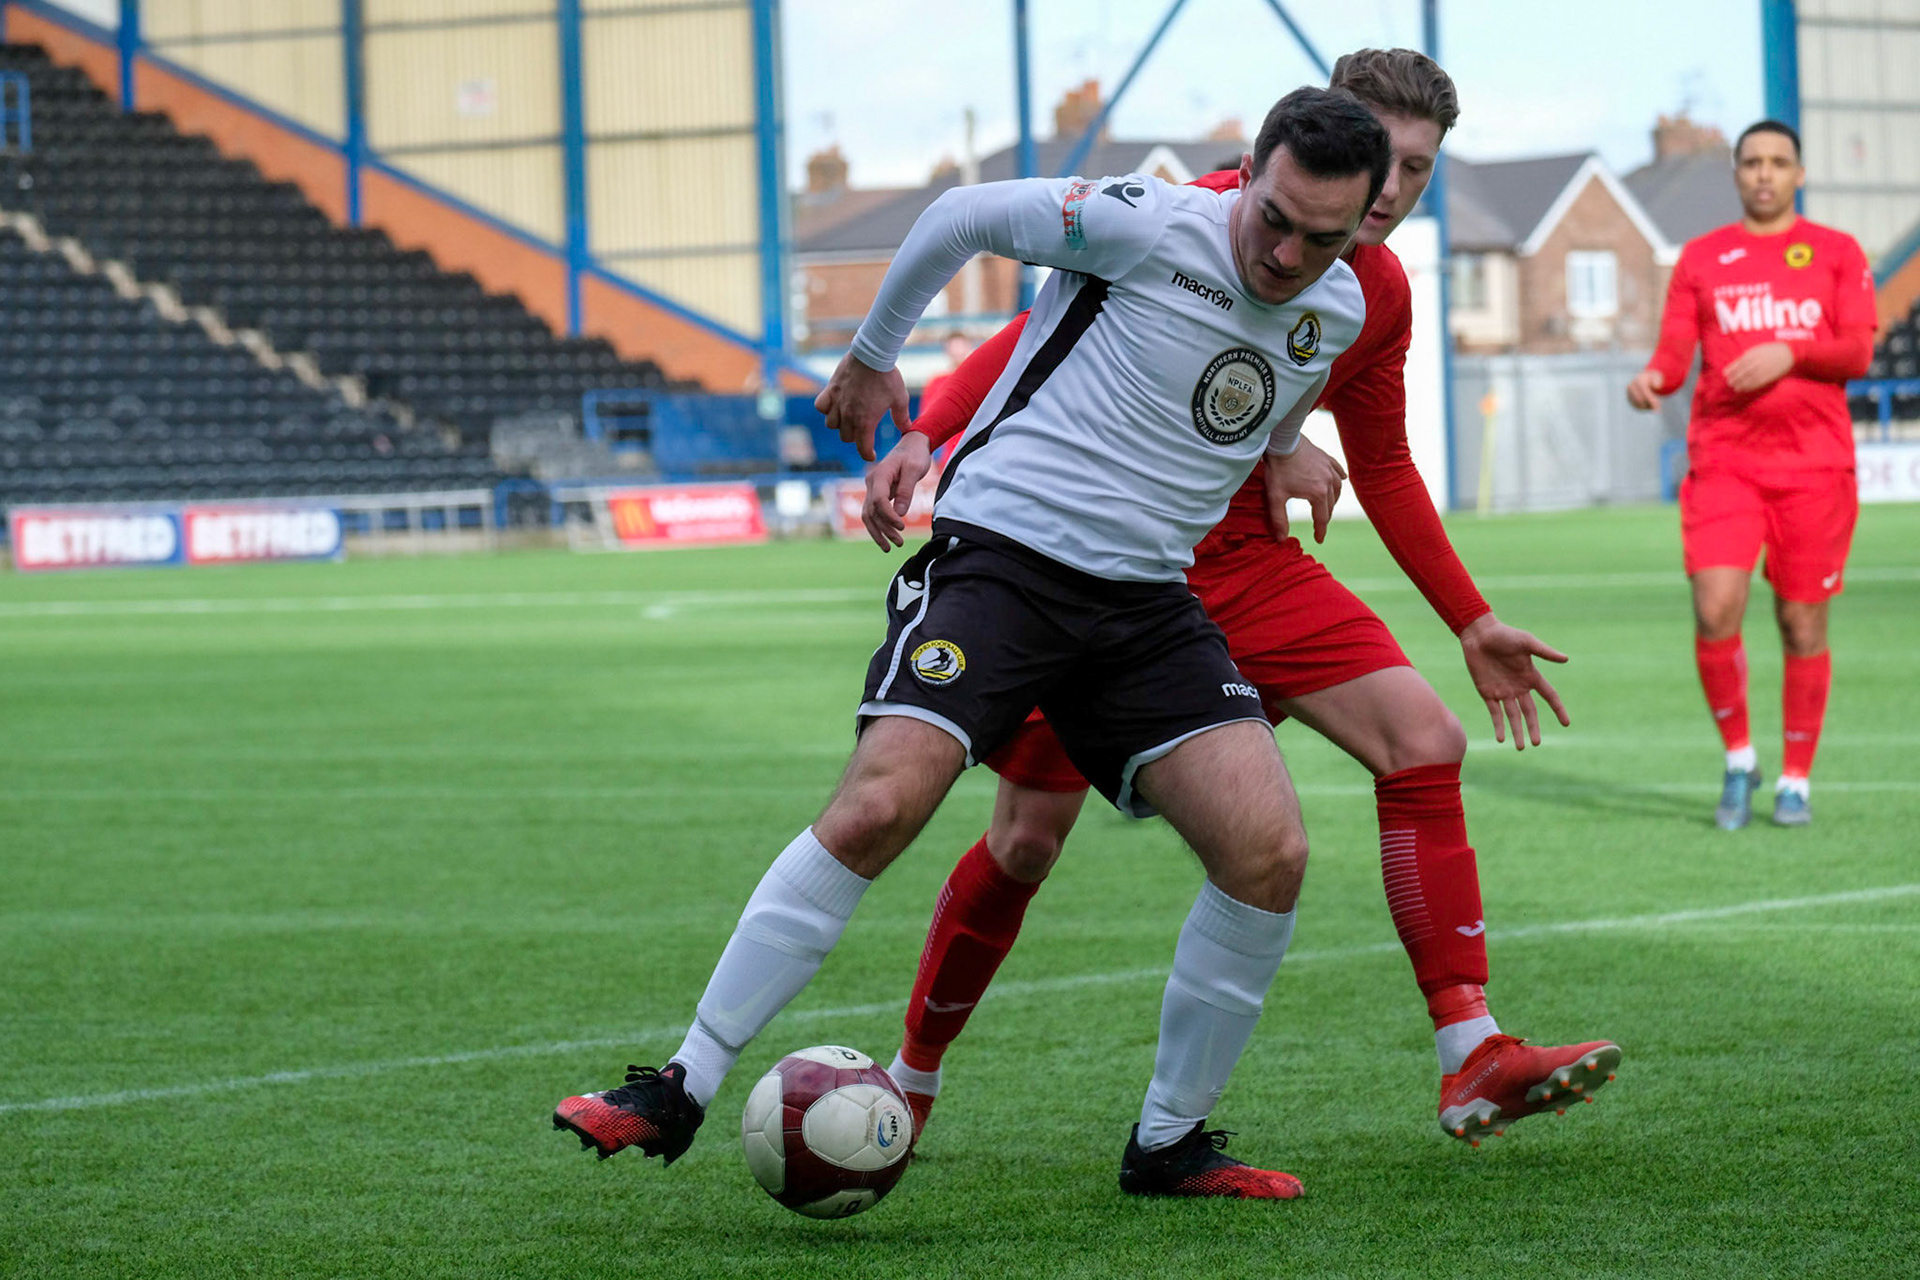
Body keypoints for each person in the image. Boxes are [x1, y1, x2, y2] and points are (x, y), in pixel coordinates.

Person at [554, 87, 1392, 1200]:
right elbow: (959, 216)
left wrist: (1284, 449)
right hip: (1003, 561)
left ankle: (1169, 1140)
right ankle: (681, 1081)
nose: (1285, 252)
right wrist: (871, 357)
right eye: (1273, 216)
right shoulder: (1146, 220)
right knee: (881, 804)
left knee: (1270, 852)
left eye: (1319, 236)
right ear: (1250, 167)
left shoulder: (1331, 310)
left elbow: (1263, 391)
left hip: (1144, 603)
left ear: (1365, 222)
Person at [866, 49, 1619, 1155]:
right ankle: (910, 1078)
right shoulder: (1213, 215)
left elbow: (1390, 465)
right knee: (1027, 837)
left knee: (1424, 739)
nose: (1395, 187)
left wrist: (1471, 618)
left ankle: (1473, 1050)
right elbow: (1039, 329)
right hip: (1110, 565)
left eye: (1417, 168)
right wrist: (930, 423)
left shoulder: (1383, 291)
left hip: (1249, 566)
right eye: (1381, 155)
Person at [1627, 120, 1876, 829]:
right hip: (1725, 461)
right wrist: (1652, 378)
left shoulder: (1836, 252)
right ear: (1735, 174)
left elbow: (1857, 350)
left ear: (1800, 174)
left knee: (1801, 622)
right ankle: (1740, 761)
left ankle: (1796, 777)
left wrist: (1790, 353)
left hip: (1814, 468)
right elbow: (1675, 352)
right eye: (1752, 162)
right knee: (1714, 609)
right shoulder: (1704, 259)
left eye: (1779, 162)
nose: (1764, 173)